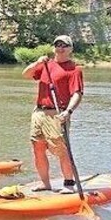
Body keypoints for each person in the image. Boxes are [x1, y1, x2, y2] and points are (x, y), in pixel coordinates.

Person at [21, 34, 84, 193]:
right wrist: (36, 63)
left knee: (61, 149)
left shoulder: (74, 69)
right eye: (58, 45)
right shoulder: (45, 65)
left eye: (64, 45)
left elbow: (77, 93)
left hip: (58, 113)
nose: (60, 48)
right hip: (39, 112)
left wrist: (68, 111)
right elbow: (26, 74)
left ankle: (69, 184)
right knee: (38, 147)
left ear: (70, 49)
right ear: (53, 48)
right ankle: (45, 183)